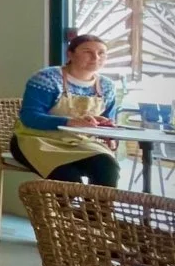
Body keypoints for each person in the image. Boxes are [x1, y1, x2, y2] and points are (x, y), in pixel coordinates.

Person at [11, 34, 121, 186]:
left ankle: (95, 210)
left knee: (107, 166)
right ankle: (60, 211)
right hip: (37, 140)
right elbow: (29, 117)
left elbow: (108, 120)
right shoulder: (47, 78)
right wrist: (70, 122)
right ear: (70, 54)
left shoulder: (107, 86)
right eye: (87, 52)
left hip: (80, 142)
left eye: (101, 53)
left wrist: (106, 128)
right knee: (68, 178)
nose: (95, 57)